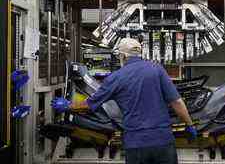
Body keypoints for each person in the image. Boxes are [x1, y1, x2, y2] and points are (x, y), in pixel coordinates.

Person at [51, 38, 197, 164]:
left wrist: (68, 105)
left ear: (123, 56)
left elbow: (89, 105)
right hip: (163, 142)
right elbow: (176, 102)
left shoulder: (116, 78)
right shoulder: (157, 70)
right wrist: (190, 125)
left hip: (136, 144)